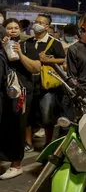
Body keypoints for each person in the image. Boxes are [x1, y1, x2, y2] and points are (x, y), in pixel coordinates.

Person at [0, 20, 40, 180]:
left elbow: (36, 68)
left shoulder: (26, 46)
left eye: (16, 28)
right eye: (9, 28)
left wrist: (20, 54)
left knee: (18, 127)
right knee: (4, 126)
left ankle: (17, 164)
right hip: (3, 93)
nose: (13, 31)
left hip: (21, 93)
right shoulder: (2, 46)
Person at [24, 14, 65, 145]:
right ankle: (28, 143)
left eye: (41, 22)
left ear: (47, 26)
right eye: (36, 22)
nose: (37, 24)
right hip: (30, 83)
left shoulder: (54, 43)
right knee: (28, 114)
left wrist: (49, 60)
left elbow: (63, 60)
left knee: (47, 115)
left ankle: (48, 143)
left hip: (47, 85)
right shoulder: (28, 42)